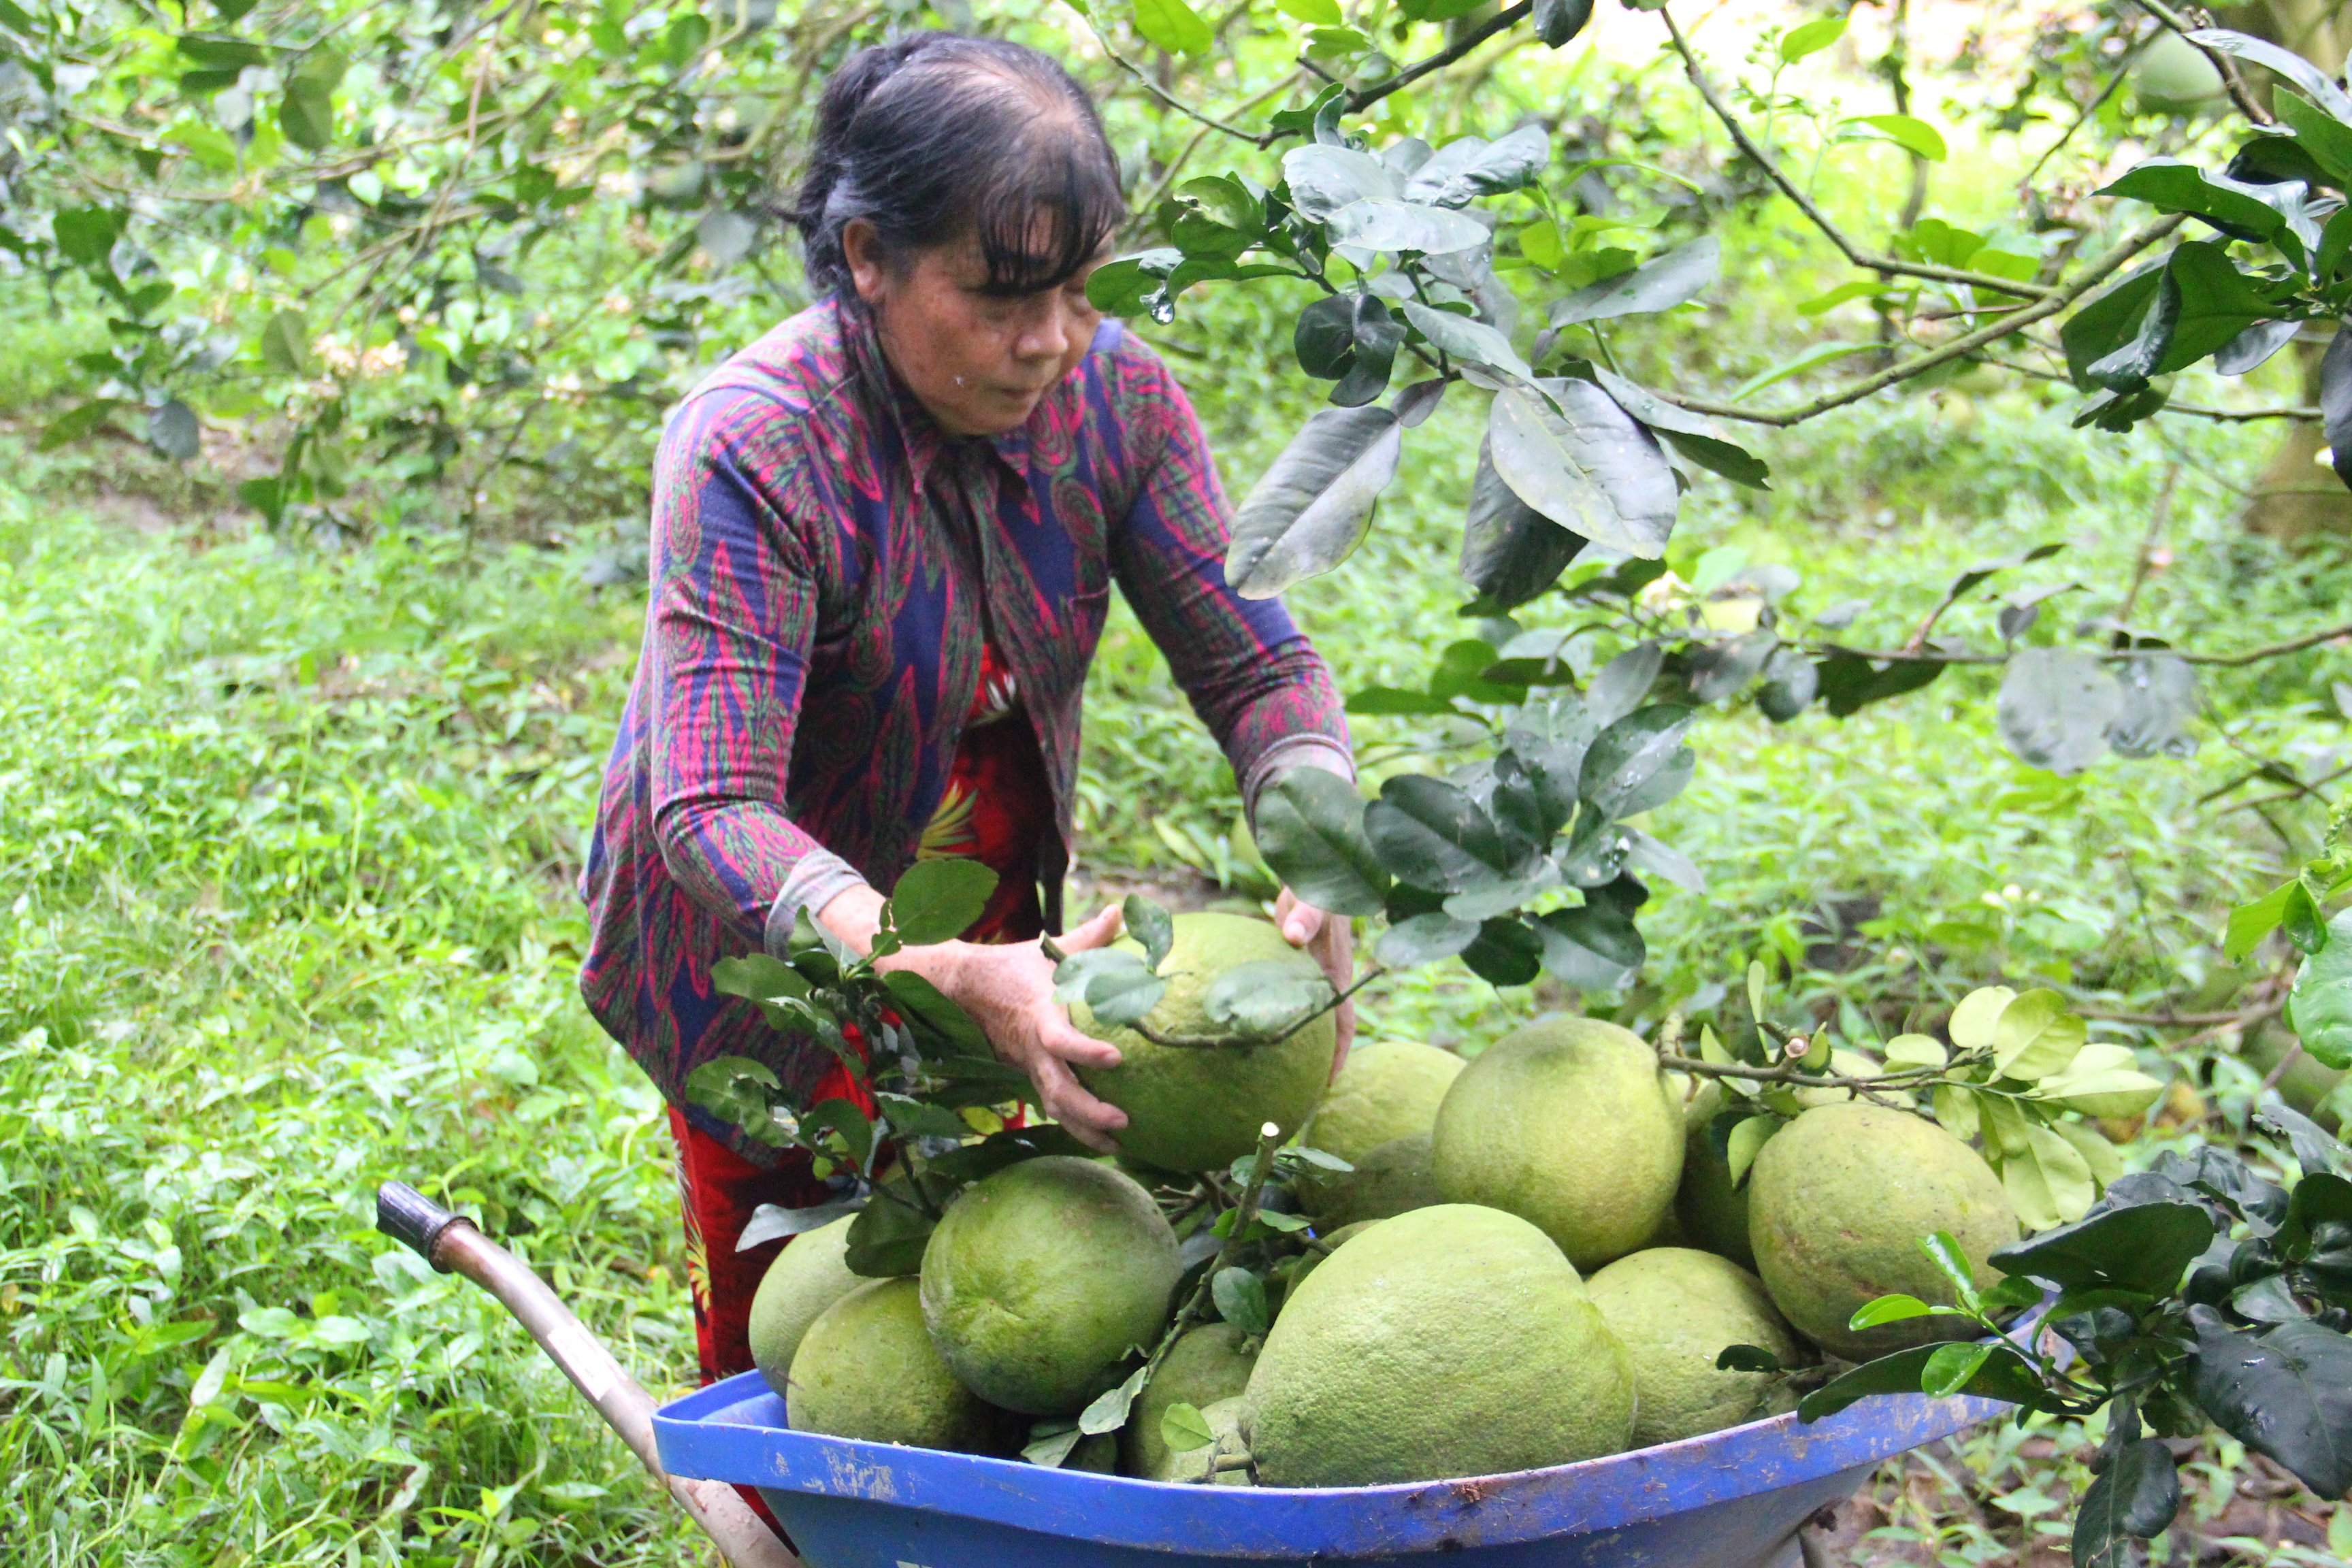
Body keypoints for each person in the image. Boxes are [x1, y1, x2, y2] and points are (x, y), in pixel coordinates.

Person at [576, 31, 1357, 1403]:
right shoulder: (756, 447)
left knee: (992, 1286)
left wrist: (1320, 826)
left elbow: (1257, 669)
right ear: (869, 257)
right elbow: (705, 808)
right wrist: (910, 961)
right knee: (800, 1324)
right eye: (1001, 294)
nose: (1050, 336)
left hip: (987, 904)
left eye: (1076, 286)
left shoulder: (1116, 401)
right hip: (772, 950)